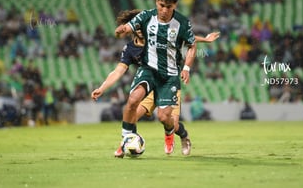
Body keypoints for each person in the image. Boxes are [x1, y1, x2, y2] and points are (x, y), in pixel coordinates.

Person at [92, 8, 219, 156]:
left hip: (167, 81)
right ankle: (127, 142)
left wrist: (204, 39)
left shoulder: (157, 34)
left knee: (170, 121)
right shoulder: (130, 49)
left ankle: (183, 136)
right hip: (148, 86)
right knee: (133, 112)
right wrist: (102, 88)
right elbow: (118, 71)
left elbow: (182, 35)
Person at [110, 0, 206, 157]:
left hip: (169, 77)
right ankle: (126, 139)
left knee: (164, 117)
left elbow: (192, 45)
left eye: (168, 7)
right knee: (132, 101)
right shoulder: (147, 16)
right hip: (149, 70)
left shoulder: (182, 23)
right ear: (156, 2)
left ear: (175, 5)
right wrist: (121, 30)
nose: (164, 10)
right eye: (161, 5)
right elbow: (128, 28)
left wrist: (186, 68)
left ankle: (176, 133)